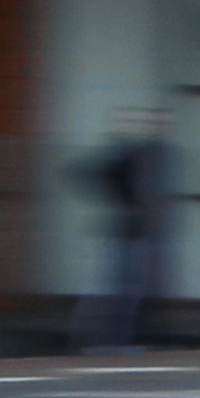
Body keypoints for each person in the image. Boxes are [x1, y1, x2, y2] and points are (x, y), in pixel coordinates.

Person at [73, 107, 172, 351]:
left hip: (134, 229)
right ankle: (114, 339)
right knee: (125, 287)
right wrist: (125, 203)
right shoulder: (128, 154)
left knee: (124, 286)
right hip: (132, 230)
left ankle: (115, 337)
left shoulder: (140, 152)